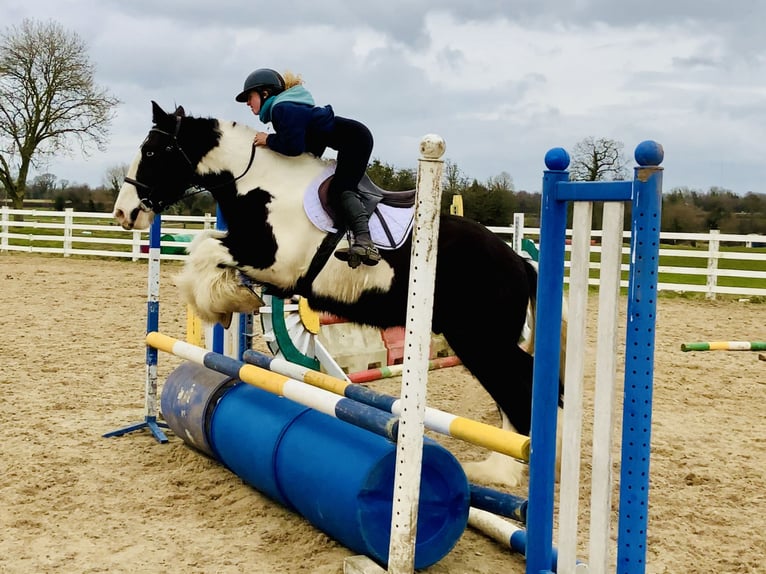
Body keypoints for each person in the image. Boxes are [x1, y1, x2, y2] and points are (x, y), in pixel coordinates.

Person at [235, 68, 381, 268]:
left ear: (265, 93)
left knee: (340, 189)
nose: (247, 103)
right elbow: (306, 149)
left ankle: (365, 242)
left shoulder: (282, 109)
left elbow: (293, 148)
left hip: (356, 141)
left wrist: (267, 139)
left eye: (249, 97)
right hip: (351, 140)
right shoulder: (285, 108)